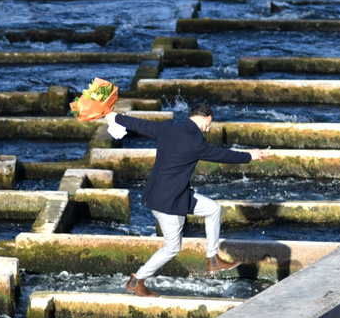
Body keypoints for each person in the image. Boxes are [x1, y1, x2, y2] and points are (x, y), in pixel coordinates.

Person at [102, 102, 266, 296]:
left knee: (213, 209)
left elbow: (141, 125)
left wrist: (114, 117)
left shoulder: (168, 126)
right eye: (209, 123)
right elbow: (223, 155)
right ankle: (137, 280)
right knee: (172, 247)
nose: (209, 128)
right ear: (202, 117)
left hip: (172, 194)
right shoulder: (195, 142)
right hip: (167, 202)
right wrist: (250, 155)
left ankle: (212, 259)